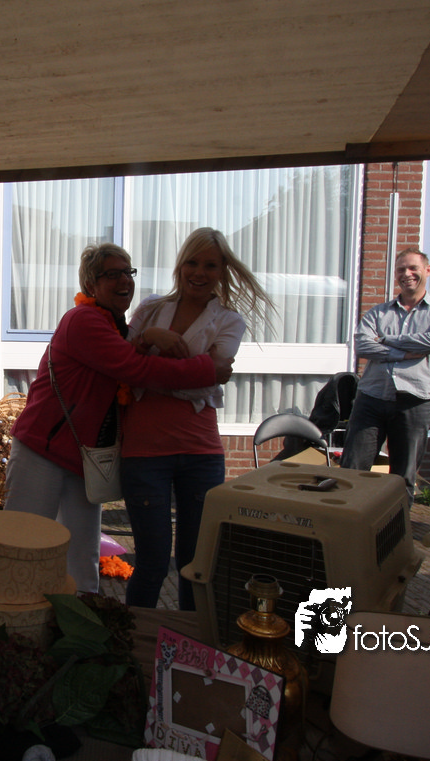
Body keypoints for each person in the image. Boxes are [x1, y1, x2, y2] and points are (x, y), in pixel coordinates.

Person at [6, 243, 231, 594]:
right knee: (22, 543)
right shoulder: (83, 320)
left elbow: (130, 354)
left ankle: (82, 618)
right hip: (42, 450)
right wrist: (208, 370)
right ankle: (7, 613)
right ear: (91, 285)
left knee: (83, 553)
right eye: (113, 274)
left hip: (84, 457)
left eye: (128, 272)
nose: (125, 280)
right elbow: (135, 368)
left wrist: (147, 337)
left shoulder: (116, 327)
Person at [121, 228, 274, 610]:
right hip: (144, 452)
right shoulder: (150, 310)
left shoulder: (230, 320)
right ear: (180, 265)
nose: (199, 272)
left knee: (196, 565)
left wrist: (152, 368)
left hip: (200, 453)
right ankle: (132, 639)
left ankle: (190, 640)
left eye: (210, 265)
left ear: (223, 271)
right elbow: (124, 367)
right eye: (192, 262)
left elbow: (213, 374)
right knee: (152, 562)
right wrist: (153, 339)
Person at [340, 247, 430, 493]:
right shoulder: (378, 312)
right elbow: (362, 345)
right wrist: (403, 353)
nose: (407, 274)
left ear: (427, 270)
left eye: (413, 268)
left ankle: (397, 518)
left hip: (415, 400)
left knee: (402, 477)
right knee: (352, 470)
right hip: (371, 398)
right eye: (401, 269)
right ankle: (348, 515)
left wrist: (386, 340)